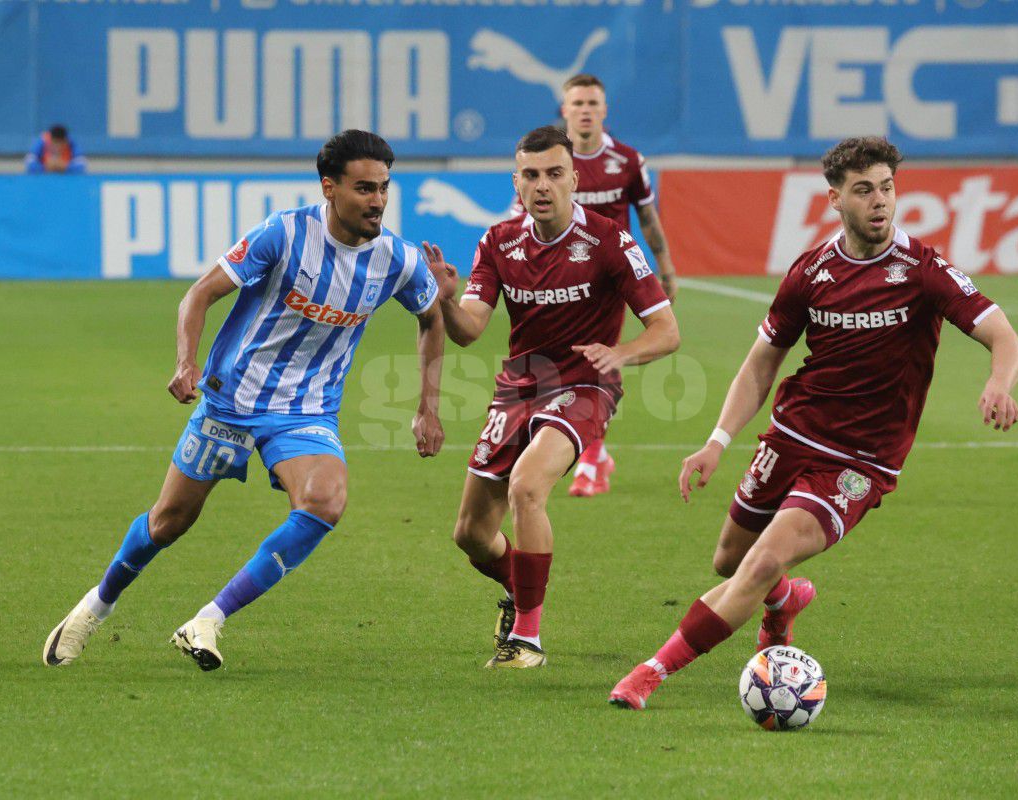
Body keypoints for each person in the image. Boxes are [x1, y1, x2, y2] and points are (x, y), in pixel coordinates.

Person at [608, 136, 1018, 709]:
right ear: (835, 199)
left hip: (858, 461)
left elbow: (1004, 337)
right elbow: (761, 364)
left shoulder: (924, 271)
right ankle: (785, 602)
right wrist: (716, 442)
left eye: (886, 188)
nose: (879, 201)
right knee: (730, 561)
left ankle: (648, 674)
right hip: (792, 435)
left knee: (758, 562)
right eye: (863, 191)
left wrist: (999, 383)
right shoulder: (811, 272)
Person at [43, 130, 446, 671]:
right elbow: (200, 294)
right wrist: (186, 361)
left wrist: (428, 405)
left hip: (306, 410)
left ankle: (208, 619)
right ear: (330, 188)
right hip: (231, 400)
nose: (377, 201)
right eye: (364, 189)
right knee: (168, 523)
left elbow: (432, 319)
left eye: (384, 189)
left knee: (326, 501)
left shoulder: (396, 258)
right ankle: (96, 606)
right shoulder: (282, 234)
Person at [426, 125, 679, 669]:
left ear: (574, 178)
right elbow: (469, 330)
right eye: (532, 175)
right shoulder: (499, 242)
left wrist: (622, 355)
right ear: (516, 183)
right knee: (471, 533)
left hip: (587, 383)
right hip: (520, 384)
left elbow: (666, 330)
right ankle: (521, 592)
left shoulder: (610, 240)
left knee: (527, 486)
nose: (543, 185)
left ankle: (528, 639)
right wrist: (446, 300)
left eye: (555, 174)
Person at [513, 74, 680, 498]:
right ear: (565, 110)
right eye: (578, 103)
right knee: (567, 358)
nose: (585, 110)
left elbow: (647, 219)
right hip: (557, 276)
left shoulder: (626, 161)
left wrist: (665, 267)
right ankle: (588, 449)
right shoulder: (548, 165)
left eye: (592, 103)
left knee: (597, 359)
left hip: (610, 278)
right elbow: (521, 222)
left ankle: (589, 460)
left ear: (604, 110)